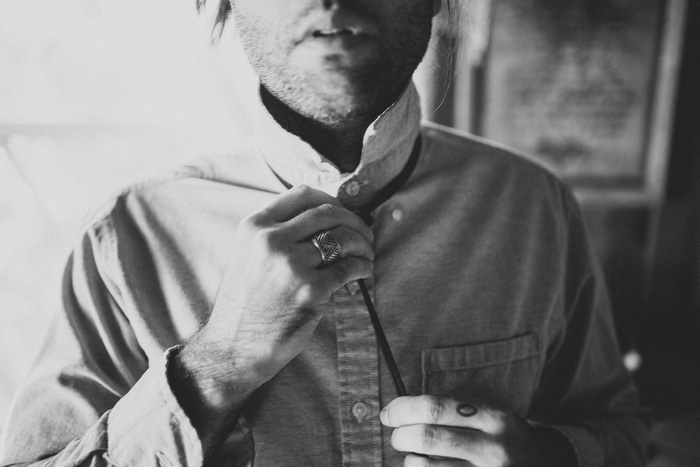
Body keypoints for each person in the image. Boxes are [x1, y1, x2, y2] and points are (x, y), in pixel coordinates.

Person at [1, 0, 647, 466]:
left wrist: (549, 456)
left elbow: (622, 435)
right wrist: (214, 366)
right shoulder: (125, 245)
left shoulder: (536, 212)